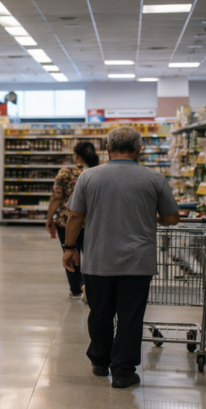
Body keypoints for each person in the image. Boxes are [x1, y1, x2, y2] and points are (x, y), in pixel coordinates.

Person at [63, 126, 180, 389]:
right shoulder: (155, 178)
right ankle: (124, 372)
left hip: (97, 259)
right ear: (139, 149)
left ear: (107, 148)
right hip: (137, 263)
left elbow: (75, 216)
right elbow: (172, 218)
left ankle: (100, 361)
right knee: (130, 317)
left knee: (100, 313)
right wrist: (153, 217)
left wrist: (69, 248)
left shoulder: (88, 177)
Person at [45, 141, 100, 300]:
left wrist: (49, 218)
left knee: (70, 253)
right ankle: (88, 285)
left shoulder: (65, 172)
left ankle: (76, 290)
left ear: (76, 155)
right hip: (92, 221)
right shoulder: (97, 172)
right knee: (90, 255)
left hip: (67, 221)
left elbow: (56, 197)